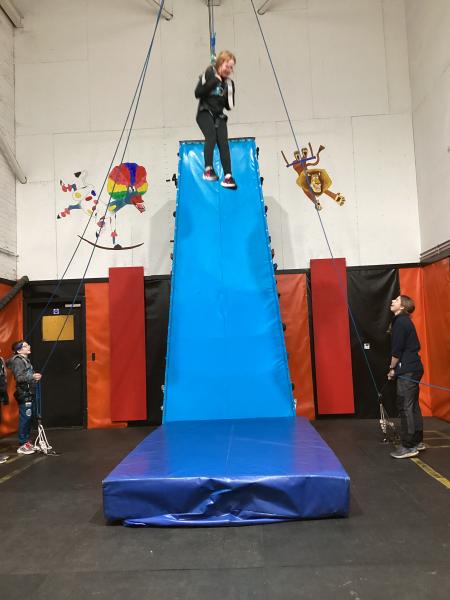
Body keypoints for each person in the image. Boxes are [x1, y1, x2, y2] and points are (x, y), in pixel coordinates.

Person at [387, 295, 425, 459]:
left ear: (402, 306)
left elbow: (397, 350)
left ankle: (408, 446)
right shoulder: (404, 321)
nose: (392, 302)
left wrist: (392, 368)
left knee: (405, 406)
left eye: (396, 300)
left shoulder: (400, 322)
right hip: (413, 368)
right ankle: (417, 441)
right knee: (412, 405)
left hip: (408, 370)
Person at [195, 50, 237, 190]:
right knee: (211, 136)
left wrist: (229, 92)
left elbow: (229, 106)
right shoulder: (209, 73)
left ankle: (228, 176)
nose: (229, 70)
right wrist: (215, 80)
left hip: (218, 116)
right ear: (220, 63)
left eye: (231, 67)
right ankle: (208, 169)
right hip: (205, 112)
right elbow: (198, 93)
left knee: (223, 143)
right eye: (227, 66)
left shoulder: (229, 83)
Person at [6, 341, 42, 455]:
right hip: (24, 393)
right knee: (25, 418)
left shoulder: (25, 360)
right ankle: (22, 444)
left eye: (28, 345)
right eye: (25, 346)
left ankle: (27, 442)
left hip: (29, 392)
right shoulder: (18, 361)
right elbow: (19, 377)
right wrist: (32, 376)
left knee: (29, 418)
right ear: (19, 350)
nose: (29, 346)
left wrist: (34, 377)